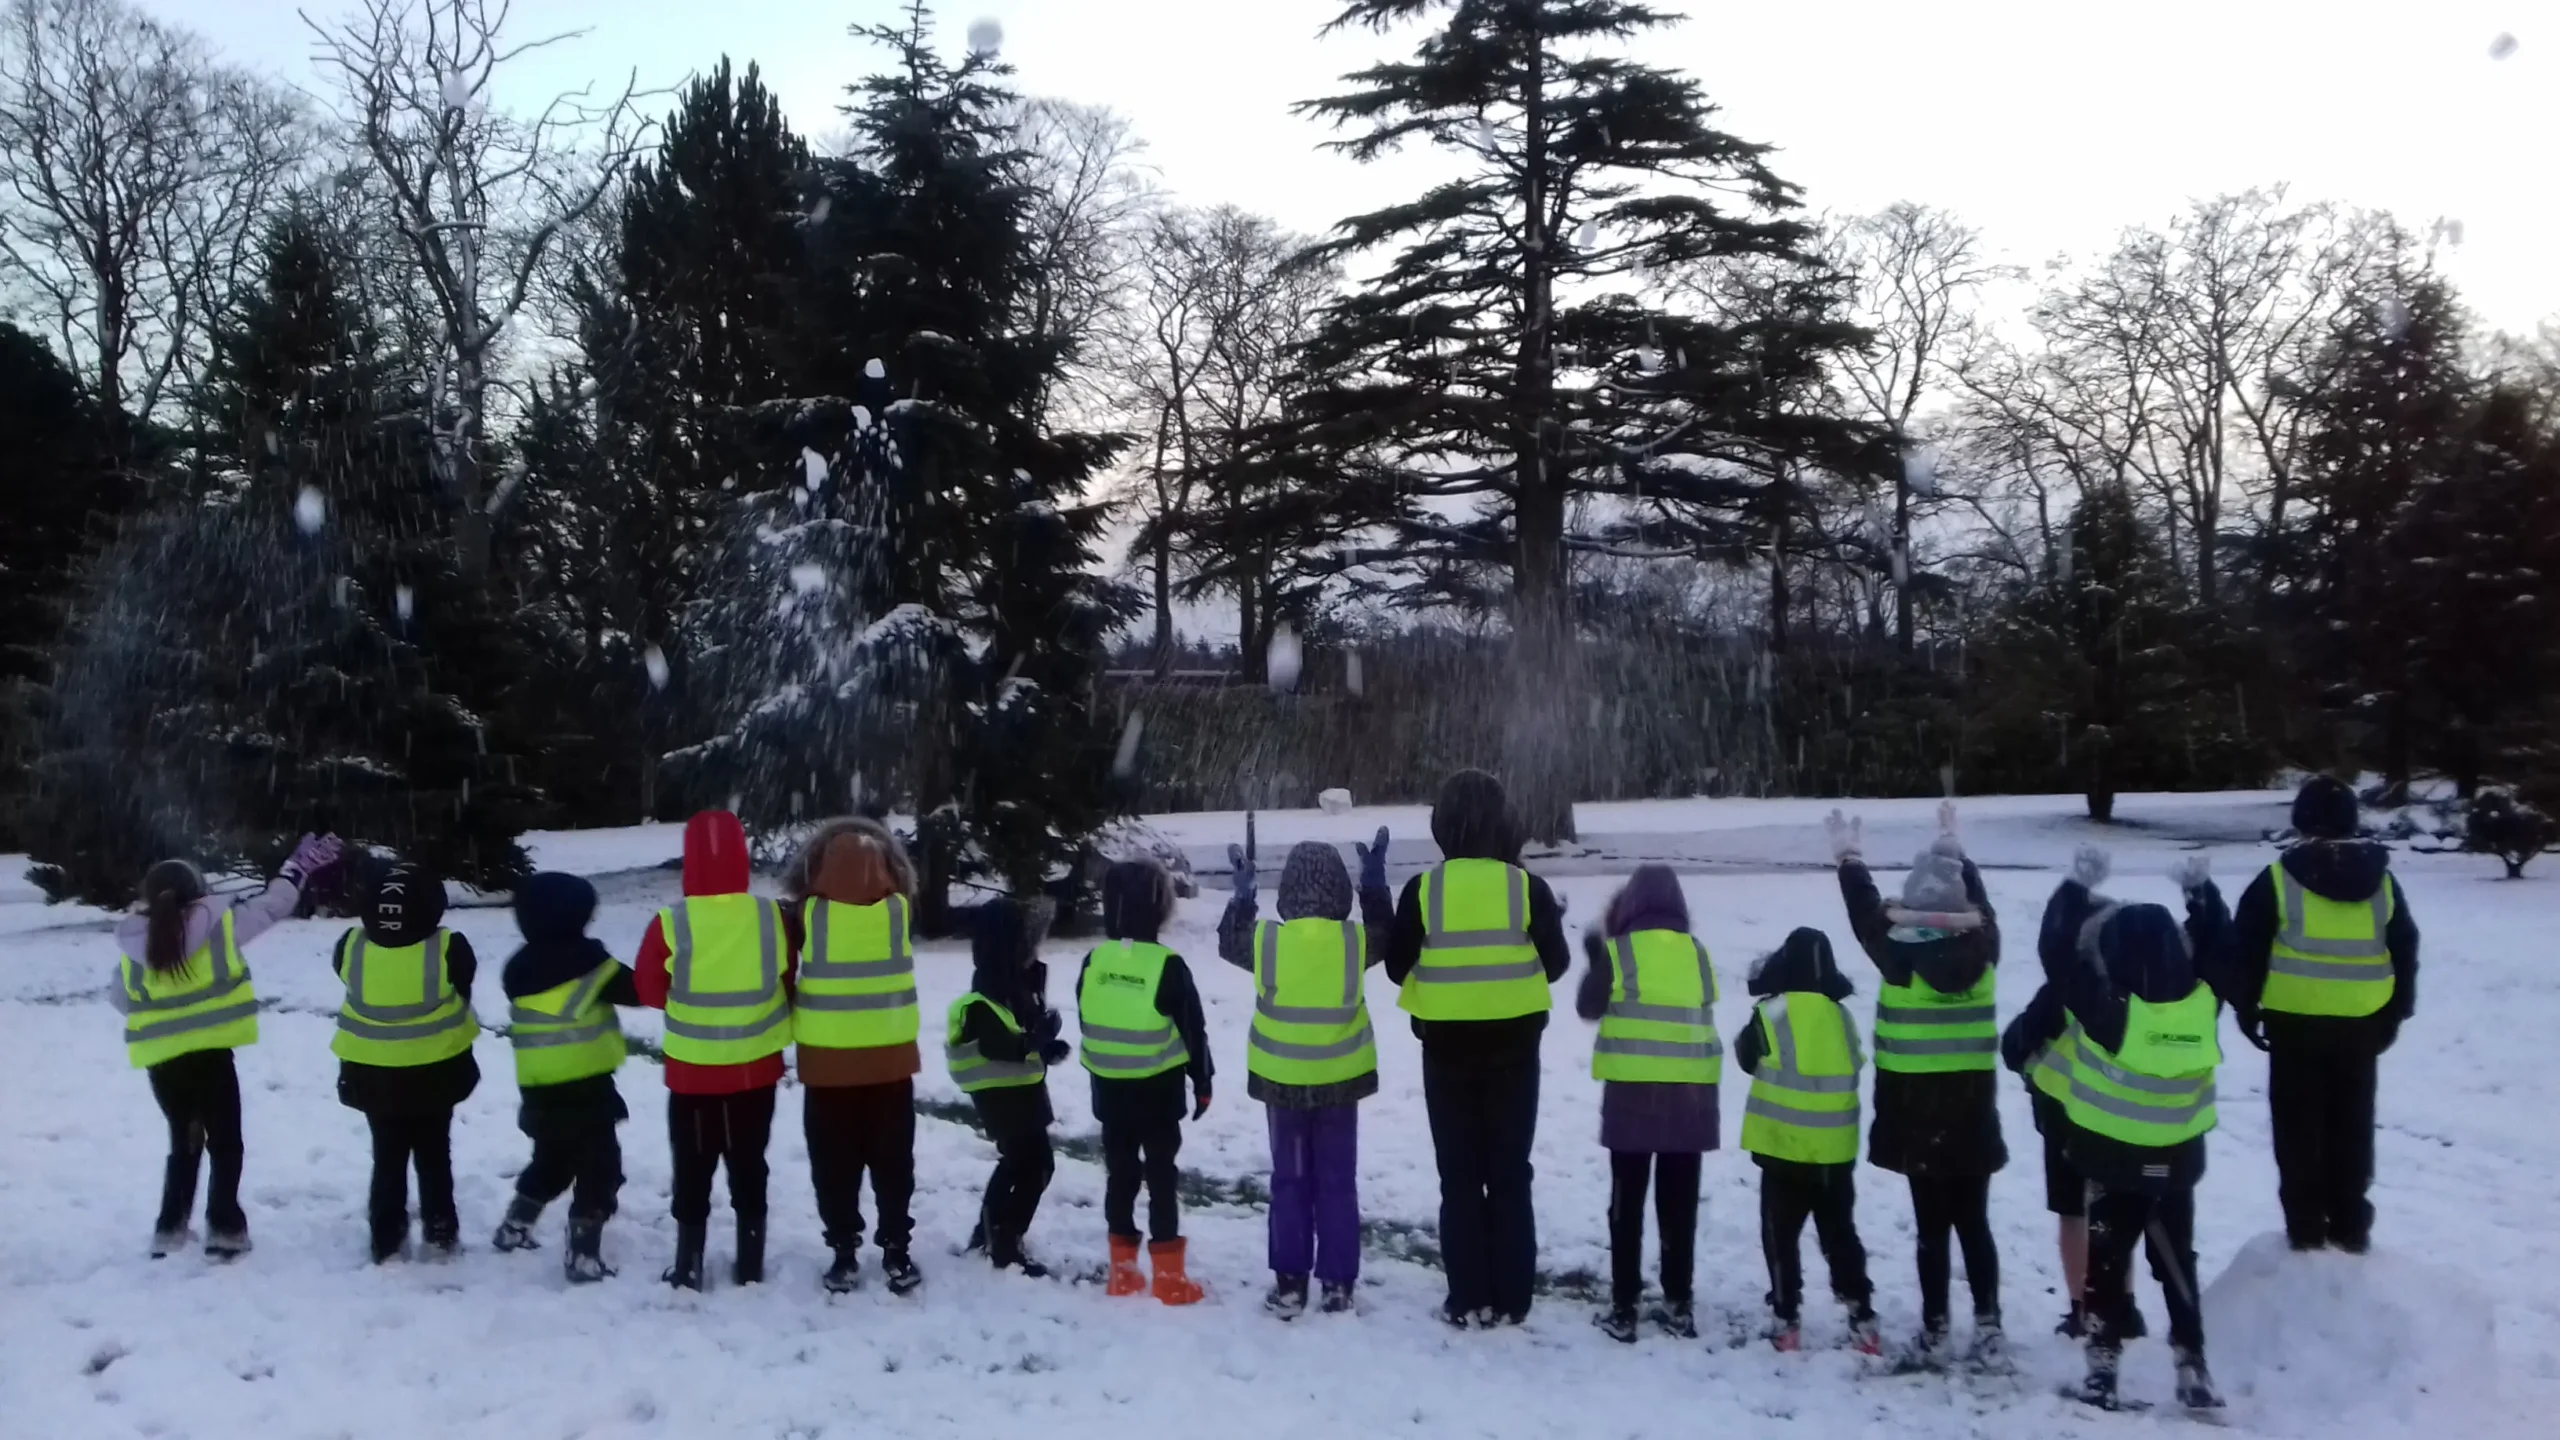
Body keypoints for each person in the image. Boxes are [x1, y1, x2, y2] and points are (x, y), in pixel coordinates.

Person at [2015, 846, 2229, 1412]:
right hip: (2177, 1158)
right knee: (2177, 1258)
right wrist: (2200, 895)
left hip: (2113, 1157)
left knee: (2107, 1263)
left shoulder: (2108, 1010)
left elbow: (2056, 951)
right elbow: (2219, 947)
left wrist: (2076, 884)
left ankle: (2102, 1370)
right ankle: (2192, 1361)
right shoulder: (2202, 1003)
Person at [1384, 769, 1571, 1329]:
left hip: (1446, 1051)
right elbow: (1557, 964)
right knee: (1511, 1173)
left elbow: (1396, 968)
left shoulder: (1424, 890)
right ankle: (1512, 1296)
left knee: (1460, 1177)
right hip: (1516, 1050)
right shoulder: (1526, 888)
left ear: (1443, 826)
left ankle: (1466, 1294)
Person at [1826, 803, 2007, 1368]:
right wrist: (1956, 851)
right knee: (1974, 1222)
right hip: (1973, 1111)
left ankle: (1934, 1326)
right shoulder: (1985, 950)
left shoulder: (1897, 956)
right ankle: (1989, 1323)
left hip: (1916, 1115)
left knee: (1931, 1224)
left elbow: (1864, 912)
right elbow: (1983, 909)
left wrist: (1850, 859)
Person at [112, 834, 340, 1260]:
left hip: (162, 1063)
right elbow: (275, 905)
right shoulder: (221, 927)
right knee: (226, 1142)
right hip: (212, 1056)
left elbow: (122, 1000)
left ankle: (170, 1228)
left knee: (184, 1142)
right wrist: (296, 868)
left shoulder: (134, 945)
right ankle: (225, 1227)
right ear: (197, 892)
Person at [2223, 775, 2418, 1254]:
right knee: (2352, 1122)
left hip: (2295, 1023)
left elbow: (2245, 949)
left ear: (2302, 822)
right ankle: (2351, 1221)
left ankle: (2306, 1225)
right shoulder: (2383, 881)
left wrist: (2246, 1008)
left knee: (2298, 1126)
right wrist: (2396, 1012)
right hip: (2362, 1024)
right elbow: (2404, 947)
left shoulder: (2277, 879)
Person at [1217, 833, 1393, 1319]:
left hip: (1282, 1083)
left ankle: (1290, 1284)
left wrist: (1242, 898)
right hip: (1340, 1082)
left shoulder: (1267, 940)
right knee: (1337, 1181)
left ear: (1287, 892)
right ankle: (1338, 1284)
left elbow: (1228, 943)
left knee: (1290, 1180)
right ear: (1339, 892)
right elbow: (1389, 935)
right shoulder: (1354, 942)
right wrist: (1374, 887)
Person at [635, 809, 791, 1290]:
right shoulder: (771, 916)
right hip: (755, 1072)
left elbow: (647, 990)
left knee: (693, 1163)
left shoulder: (670, 922)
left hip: (693, 1075)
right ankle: (750, 1260)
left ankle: (689, 1261)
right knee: (749, 1161)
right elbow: (786, 977)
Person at [1575, 863, 1720, 1343]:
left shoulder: (1619, 953)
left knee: (1627, 1205)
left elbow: (1588, 1008)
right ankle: (1679, 1303)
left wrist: (1597, 957)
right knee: (1679, 1206)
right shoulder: (1698, 954)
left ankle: (1625, 1307)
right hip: (1690, 1097)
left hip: (1634, 1097)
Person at [783, 817, 924, 1296]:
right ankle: (897, 1249)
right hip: (890, 1063)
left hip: (827, 1066)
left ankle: (844, 1251)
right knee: (893, 1161)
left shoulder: (806, 915)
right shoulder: (899, 912)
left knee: (833, 1164)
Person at [1736, 926, 1880, 1355]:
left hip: (1783, 1148)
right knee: (1840, 1234)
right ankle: (1861, 1314)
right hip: (1834, 1152)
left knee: (1781, 1238)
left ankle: (1786, 1317)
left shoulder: (1773, 1012)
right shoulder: (1842, 1016)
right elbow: (1854, 1061)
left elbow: (1747, 1057)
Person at [330, 860, 483, 1263]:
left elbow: (345, 977)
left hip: (371, 1074)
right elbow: (463, 987)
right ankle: (440, 1231)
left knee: (387, 1156)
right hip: (436, 1072)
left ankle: (386, 1237)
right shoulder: (449, 946)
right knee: (434, 1154)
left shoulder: (351, 945)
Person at [1079, 858, 1213, 1306]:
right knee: (1160, 1176)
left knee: (1119, 1174)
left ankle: (1122, 1270)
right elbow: (1193, 1031)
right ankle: (1169, 1276)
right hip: (1158, 1092)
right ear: (1160, 909)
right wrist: (1203, 1079)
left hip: (1110, 1091)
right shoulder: (1167, 966)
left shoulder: (1094, 960)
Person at [491, 871, 637, 1282]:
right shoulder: (592, 964)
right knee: (600, 1169)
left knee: (552, 1162)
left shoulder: (517, 969)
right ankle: (584, 1251)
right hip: (588, 1088)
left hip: (539, 1091)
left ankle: (516, 1224)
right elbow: (640, 991)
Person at [949, 898, 1072, 1277]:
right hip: (1001, 1094)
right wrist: (1036, 1040)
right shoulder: (987, 991)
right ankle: (1002, 1238)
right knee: (1027, 1163)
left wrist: (1046, 1045)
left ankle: (995, 1232)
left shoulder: (1019, 982)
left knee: (1029, 1164)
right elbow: (999, 1043)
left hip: (1023, 1090)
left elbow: (1023, 1035)